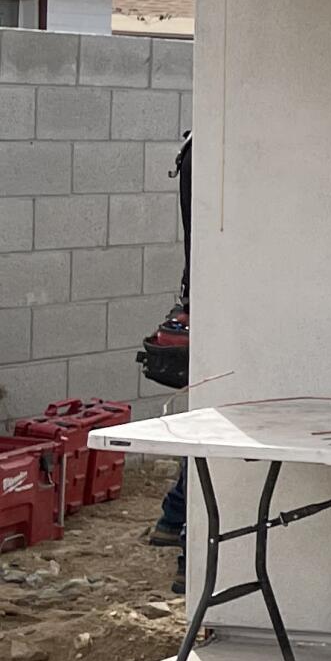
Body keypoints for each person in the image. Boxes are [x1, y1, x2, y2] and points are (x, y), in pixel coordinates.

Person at [140, 138, 191, 548]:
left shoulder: (196, 148)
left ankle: (175, 520)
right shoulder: (209, 148)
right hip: (221, 304)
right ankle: (181, 535)